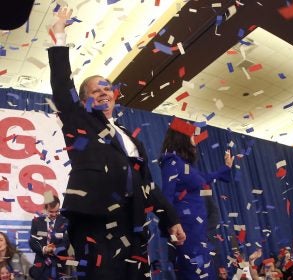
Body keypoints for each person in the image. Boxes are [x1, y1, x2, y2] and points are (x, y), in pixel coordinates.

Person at [48, 7, 186, 280]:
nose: (103, 93)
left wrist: (171, 219)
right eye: (95, 90)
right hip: (96, 220)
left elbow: (147, 184)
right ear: (84, 99)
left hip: (133, 223)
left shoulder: (129, 137)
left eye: (107, 88)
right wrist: (60, 33)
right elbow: (63, 86)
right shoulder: (80, 122)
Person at [159, 118, 234, 279]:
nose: (195, 140)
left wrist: (226, 168)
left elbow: (204, 178)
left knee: (205, 271)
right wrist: (171, 224)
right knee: (193, 272)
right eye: (192, 135)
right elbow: (166, 196)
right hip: (185, 230)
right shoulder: (171, 161)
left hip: (198, 230)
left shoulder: (186, 165)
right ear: (182, 137)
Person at [28, 195, 70, 280]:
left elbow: (66, 242)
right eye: (51, 211)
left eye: (57, 211)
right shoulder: (36, 222)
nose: (54, 214)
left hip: (59, 266)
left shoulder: (65, 221)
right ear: (45, 208)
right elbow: (33, 241)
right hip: (41, 267)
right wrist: (43, 249)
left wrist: (54, 249)